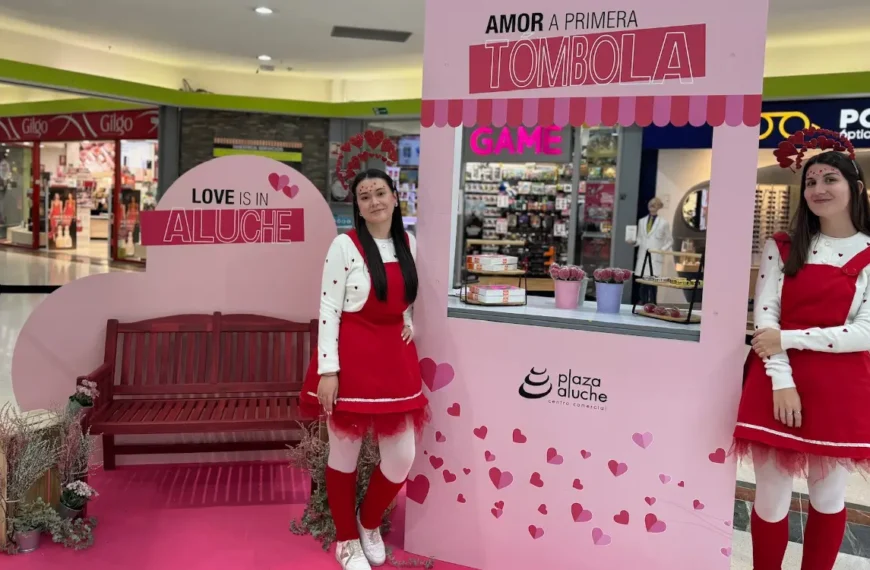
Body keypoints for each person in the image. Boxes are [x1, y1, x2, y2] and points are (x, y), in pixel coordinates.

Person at [734, 131, 870, 570]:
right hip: (776, 381)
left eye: (830, 179)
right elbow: (766, 316)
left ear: (856, 188)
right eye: (810, 182)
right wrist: (783, 380)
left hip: (839, 386)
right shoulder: (782, 246)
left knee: (827, 497)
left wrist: (789, 339)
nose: (818, 190)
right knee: (770, 498)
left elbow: (865, 331)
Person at [300, 168, 429, 570]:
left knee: (402, 457)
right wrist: (328, 370)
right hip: (351, 360)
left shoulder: (410, 242)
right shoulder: (344, 245)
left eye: (380, 193)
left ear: (395, 197)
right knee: (344, 454)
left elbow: (409, 294)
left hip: (395, 361)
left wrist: (409, 319)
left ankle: (368, 522)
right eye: (364, 196)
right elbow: (328, 309)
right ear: (357, 206)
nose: (373, 201)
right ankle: (346, 539)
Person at [629, 197, 673, 304]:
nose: (652, 206)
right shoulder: (642, 221)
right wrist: (633, 242)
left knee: (653, 283)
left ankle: (652, 304)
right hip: (643, 255)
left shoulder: (663, 223)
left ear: (659, 207)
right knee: (643, 282)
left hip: (655, 257)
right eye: (650, 204)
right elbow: (640, 238)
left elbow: (670, 240)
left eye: (654, 204)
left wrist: (661, 250)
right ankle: (643, 303)